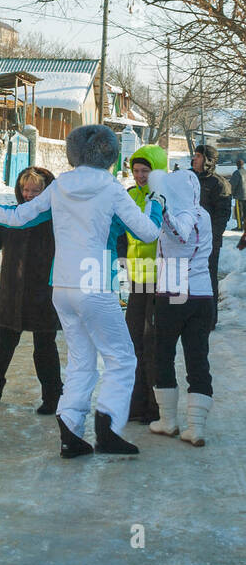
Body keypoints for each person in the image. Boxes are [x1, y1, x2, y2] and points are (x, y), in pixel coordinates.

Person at [0, 125, 161, 459]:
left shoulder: (59, 187)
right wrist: (157, 204)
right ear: (109, 154)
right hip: (96, 284)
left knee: (81, 361)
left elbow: (19, 217)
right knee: (121, 358)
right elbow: (147, 233)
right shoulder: (112, 189)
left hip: (61, 285)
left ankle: (71, 432)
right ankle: (108, 428)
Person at [0, 166, 62, 414]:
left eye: (35, 190)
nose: (29, 195)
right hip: (13, 290)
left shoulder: (54, 218)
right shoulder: (12, 214)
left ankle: (53, 397)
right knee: (3, 343)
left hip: (43, 291)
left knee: (44, 347)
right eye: (25, 189)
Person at [147, 169, 214, 446]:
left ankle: (168, 421)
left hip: (174, 293)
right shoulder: (204, 214)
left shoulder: (182, 215)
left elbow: (181, 234)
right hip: (202, 295)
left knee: (162, 354)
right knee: (198, 359)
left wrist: (161, 209)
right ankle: (196, 427)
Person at [122, 145, 168, 423]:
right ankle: (136, 405)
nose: (139, 176)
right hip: (137, 279)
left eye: (145, 171)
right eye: (136, 170)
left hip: (163, 279)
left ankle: (157, 407)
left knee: (156, 344)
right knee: (134, 341)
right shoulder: (128, 195)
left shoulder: (167, 198)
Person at [191, 144, 231, 326]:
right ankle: (190, 316)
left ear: (208, 161)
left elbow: (221, 217)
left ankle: (209, 319)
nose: (194, 159)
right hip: (188, 241)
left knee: (208, 280)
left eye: (198, 156)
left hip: (209, 243)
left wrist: (210, 241)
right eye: (194, 155)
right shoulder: (189, 178)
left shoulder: (219, 184)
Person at [229, 157, 245, 230]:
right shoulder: (245, 172)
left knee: (238, 212)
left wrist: (231, 193)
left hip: (239, 196)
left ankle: (239, 226)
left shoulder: (236, 173)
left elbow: (233, 184)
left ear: (237, 165)